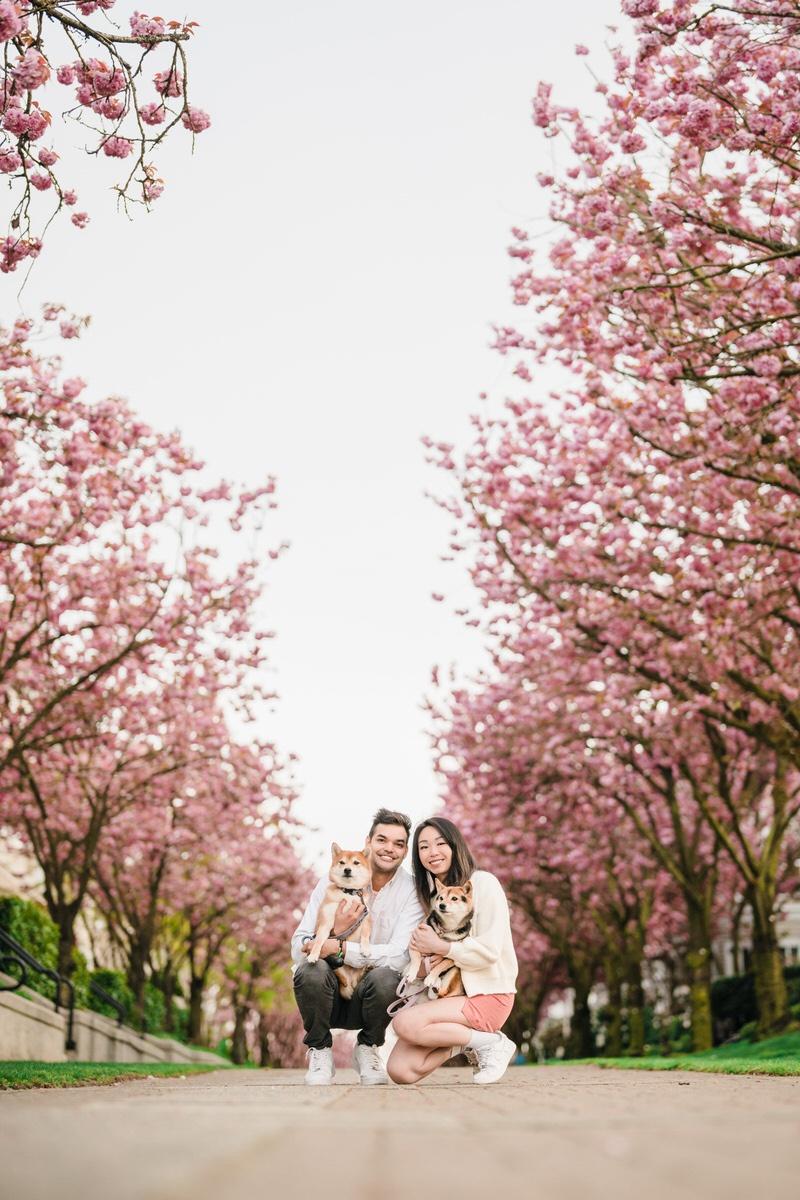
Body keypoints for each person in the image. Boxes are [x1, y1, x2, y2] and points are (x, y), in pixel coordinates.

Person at [291, 807, 425, 1086]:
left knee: (389, 976)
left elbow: (400, 956)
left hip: (370, 996)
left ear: (405, 850)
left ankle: (368, 1047)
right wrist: (334, 932)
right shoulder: (331, 881)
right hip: (328, 992)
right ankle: (320, 1049)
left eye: (398, 844)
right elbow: (298, 945)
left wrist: (339, 949)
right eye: (382, 840)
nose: (389, 849)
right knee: (309, 968)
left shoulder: (411, 891)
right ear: (368, 843)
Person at [387, 816, 518, 1085]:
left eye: (440, 843)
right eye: (423, 847)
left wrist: (443, 948)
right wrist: (423, 963)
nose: (432, 852)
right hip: (449, 998)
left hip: (488, 995)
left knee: (405, 1024)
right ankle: (469, 1042)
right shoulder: (435, 900)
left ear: (455, 844)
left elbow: (490, 951)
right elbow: (423, 956)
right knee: (401, 1071)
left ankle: (492, 1043)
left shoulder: (483, 883)